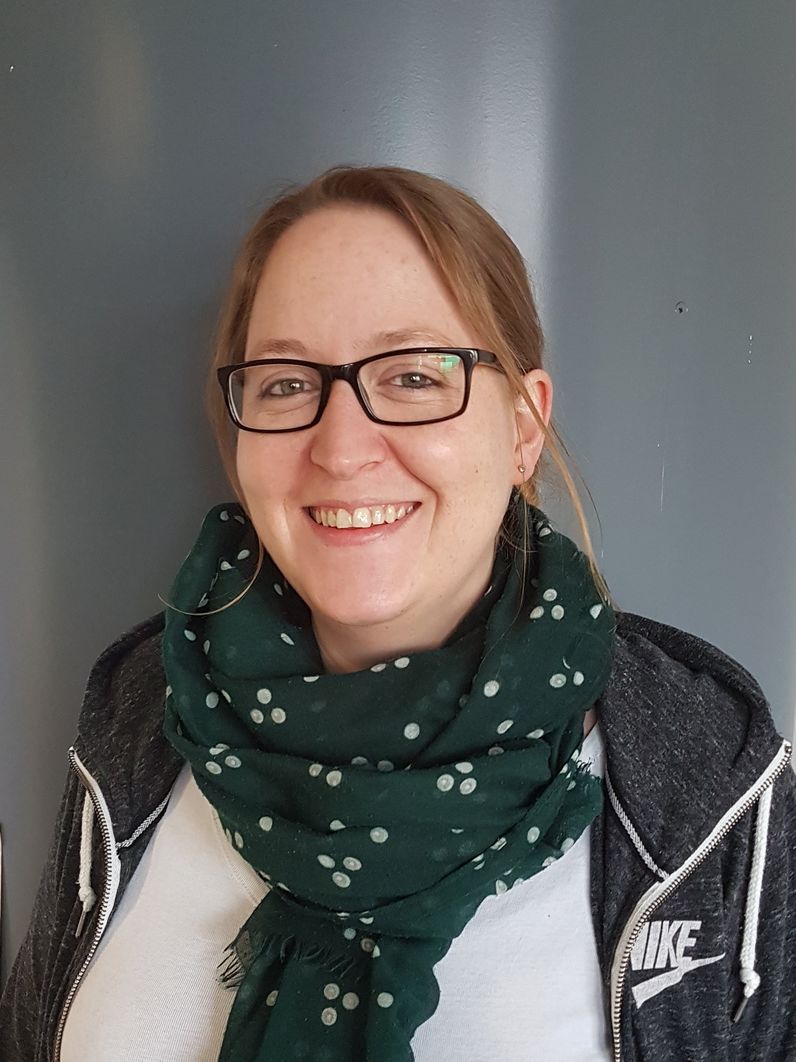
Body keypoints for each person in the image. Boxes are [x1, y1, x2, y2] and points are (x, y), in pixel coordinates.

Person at [1, 164, 793, 1062]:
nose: (341, 449)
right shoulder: (140, 712)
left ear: (523, 427)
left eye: (415, 375)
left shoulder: (703, 771)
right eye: (286, 384)